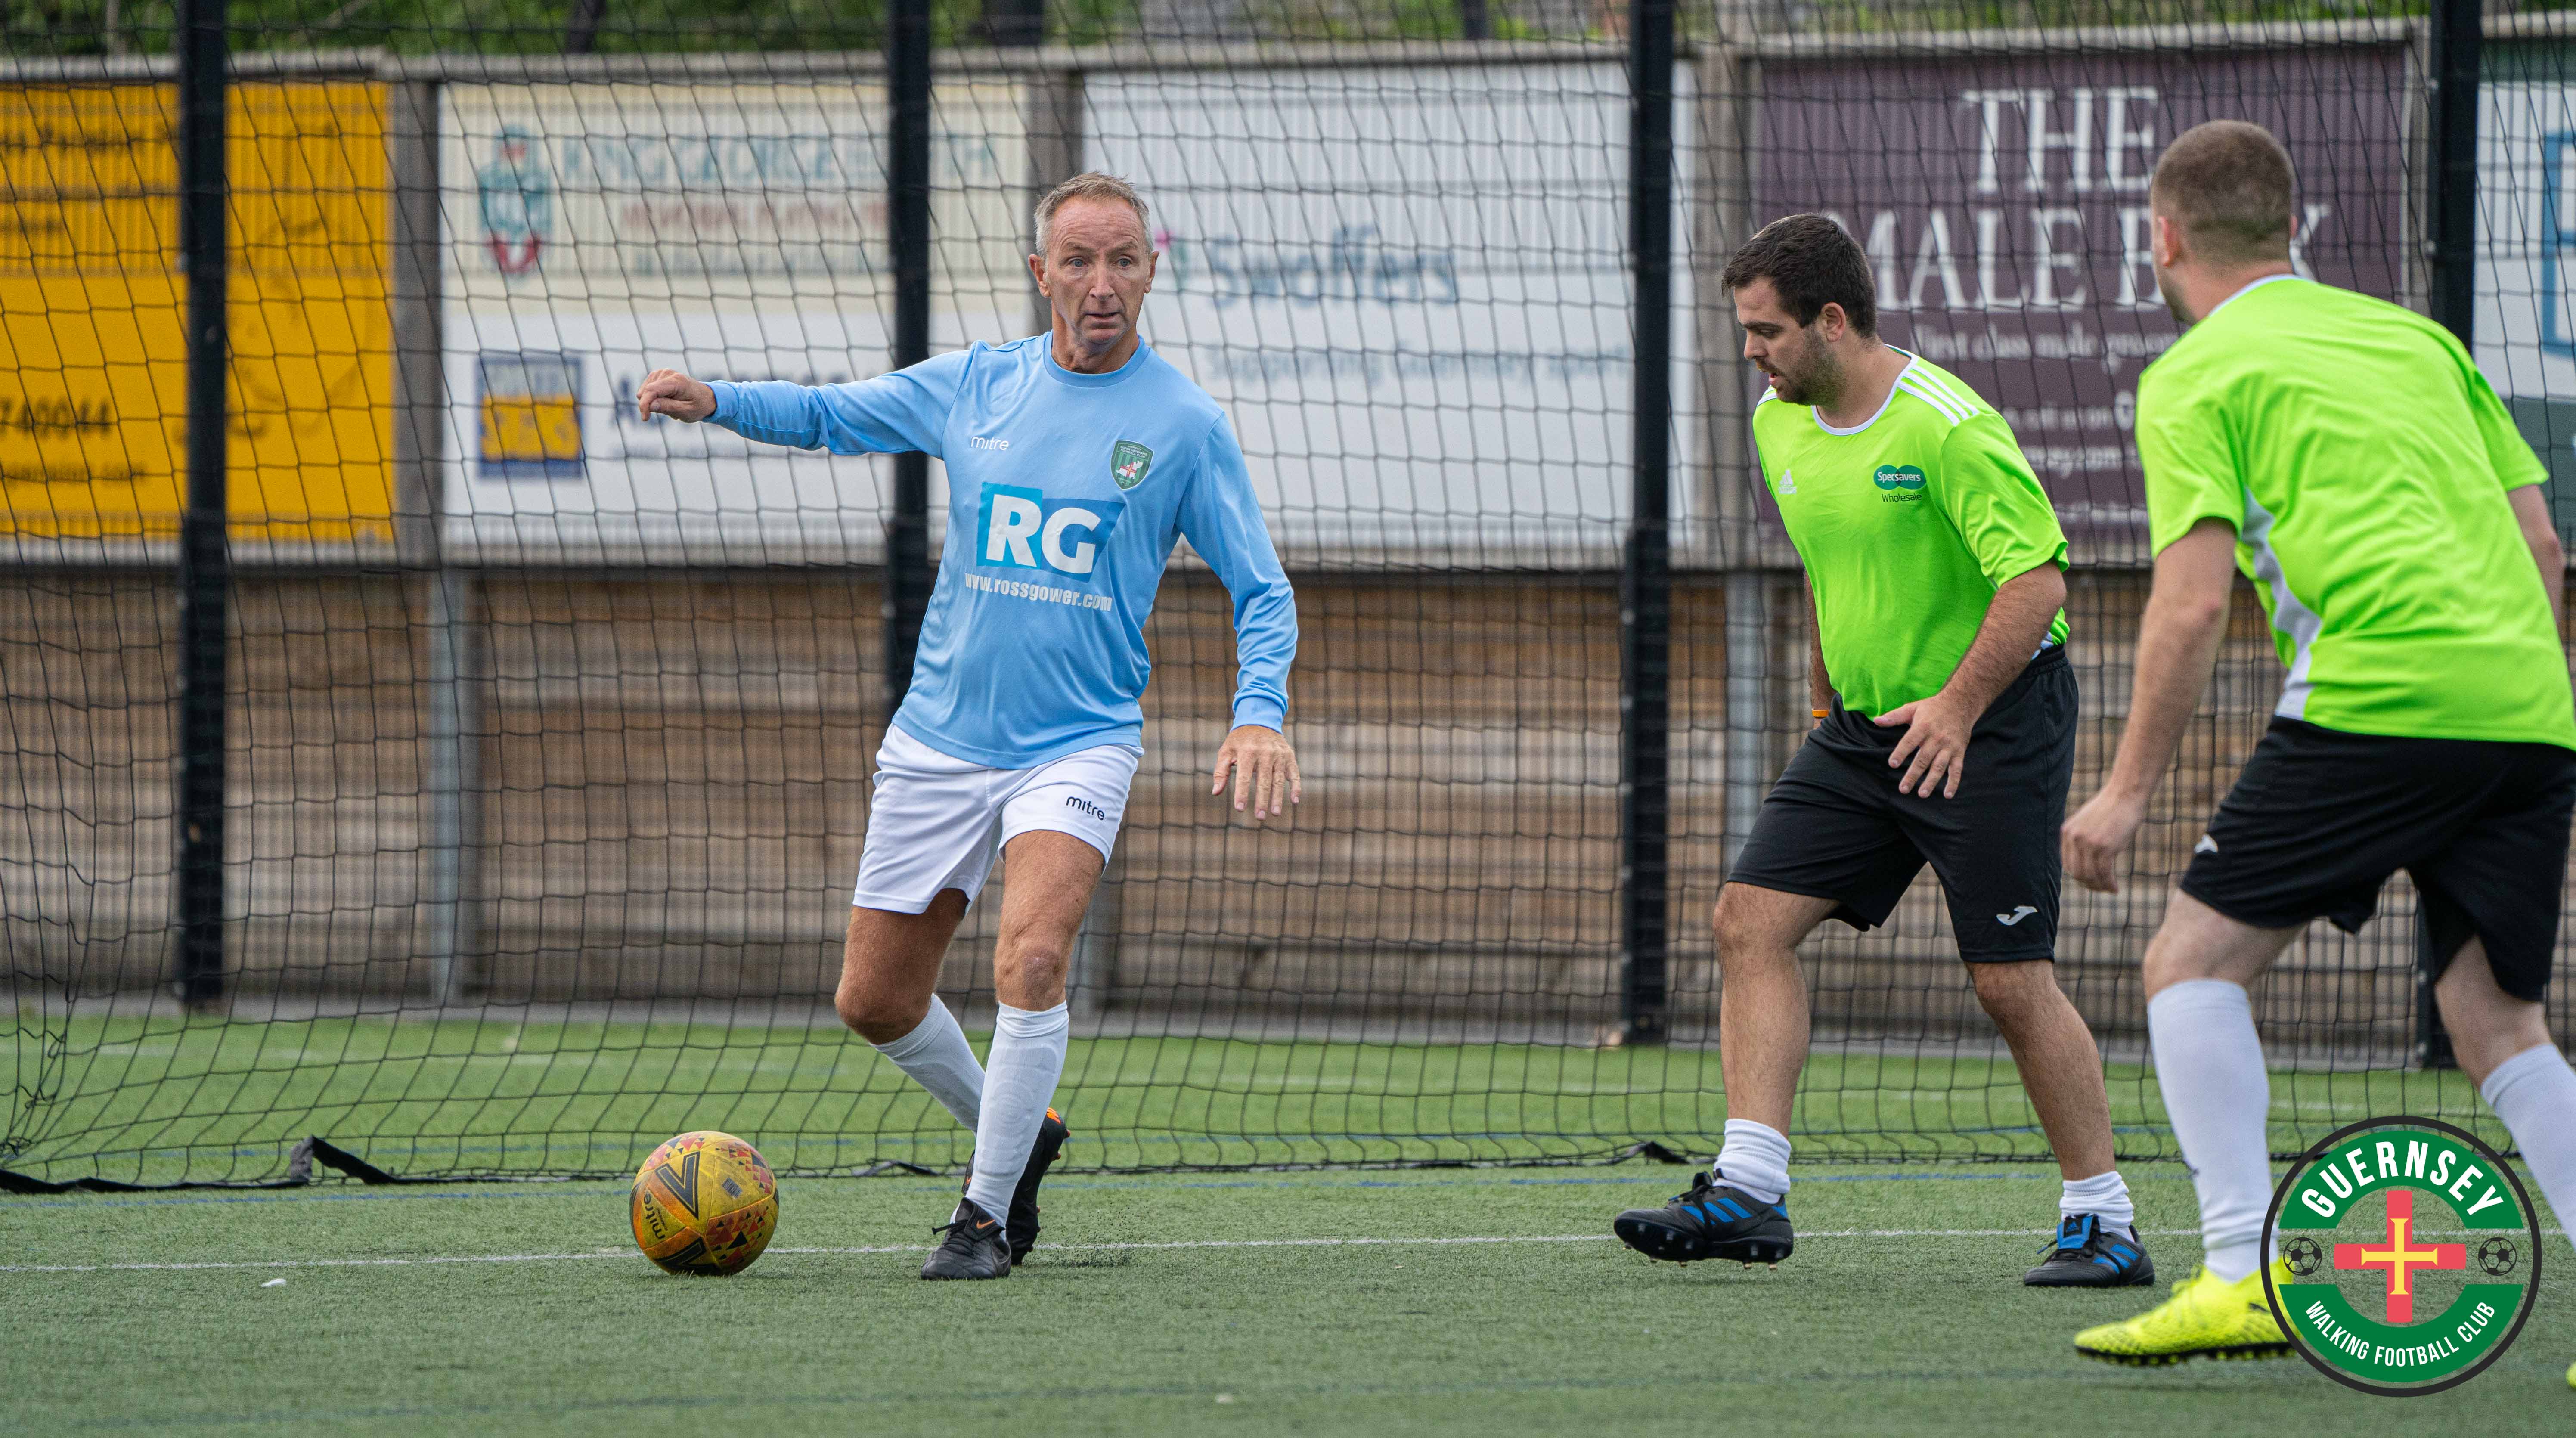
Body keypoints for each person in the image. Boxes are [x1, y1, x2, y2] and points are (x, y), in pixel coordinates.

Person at [636, 173, 1302, 1281]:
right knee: (874, 1000)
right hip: (939, 740)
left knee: (1032, 957)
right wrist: (720, 400)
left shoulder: (1185, 425)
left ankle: (983, 1217)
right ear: (1041, 273)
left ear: (1152, 270)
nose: (1101, 283)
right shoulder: (978, 384)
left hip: (1078, 741)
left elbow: (1263, 589)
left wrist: (1260, 712)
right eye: (1078, 261)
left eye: (1123, 260)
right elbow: (833, 414)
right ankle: (1023, 1129)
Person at [2061, 121, 2576, 1372]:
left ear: (2163, 237)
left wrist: (2123, 792)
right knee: (2497, 1019)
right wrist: (2519, 705)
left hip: (2377, 693)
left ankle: (2244, 1275)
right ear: (2292, 231)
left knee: (2190, 963)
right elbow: (2544, 550)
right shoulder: (2421, 340)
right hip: (2528, 702)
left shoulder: (2195, 374)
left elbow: (2190, 604)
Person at [1611, 214, 2146, 1287]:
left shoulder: (1947, 427)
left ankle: (2105, 1220)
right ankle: (1749, 1188)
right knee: (1747, 920)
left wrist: (1954, 707)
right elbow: (1831, 566)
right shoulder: (1779, 424)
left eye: (1765, 331)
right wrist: (1826, 704)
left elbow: (2037, 582)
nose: (1750, 352)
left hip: (1993, 720)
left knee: (2007, 980)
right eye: (1744, 331)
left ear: (1831, 320)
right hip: (1863, 730)